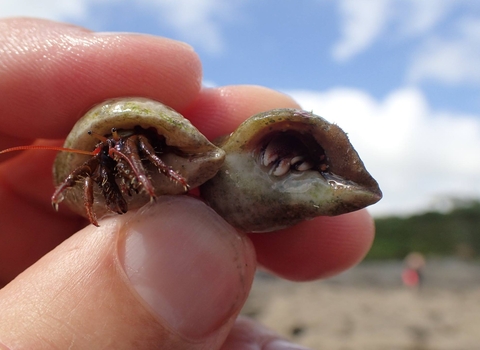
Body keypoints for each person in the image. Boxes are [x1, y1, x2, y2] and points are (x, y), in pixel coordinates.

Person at [0, 17, 376, 349]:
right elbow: (97, 164)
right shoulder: (103, 153)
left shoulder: (155, 146)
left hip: (150, 152)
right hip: (126, 160)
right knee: (111, 153)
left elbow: (144, 148)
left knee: (126, 148)